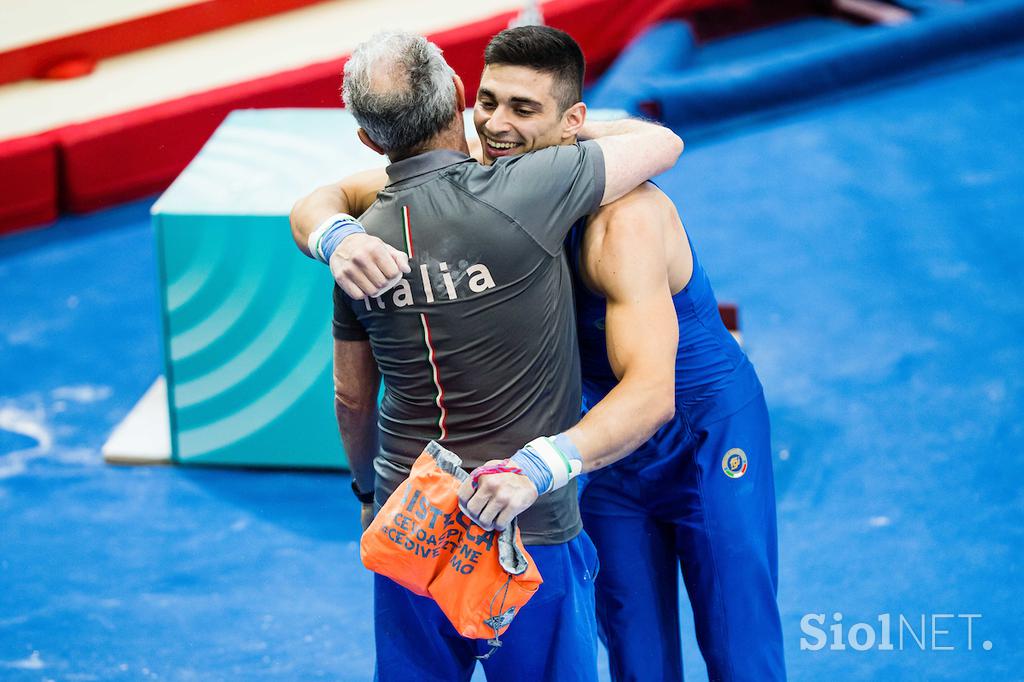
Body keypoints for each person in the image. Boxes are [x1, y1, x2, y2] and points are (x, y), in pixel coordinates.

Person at [293, 25, 786, 682]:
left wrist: (544, 462)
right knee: (635, 649)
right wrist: (337, 237)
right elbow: (328, 197)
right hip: (601, 441)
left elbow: (650, 394)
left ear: (572, 125)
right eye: (488, 103)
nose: (495, 127)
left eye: (523, 110)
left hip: (697, 430)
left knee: (738, 640)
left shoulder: (625, 219)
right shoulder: (492, 171)